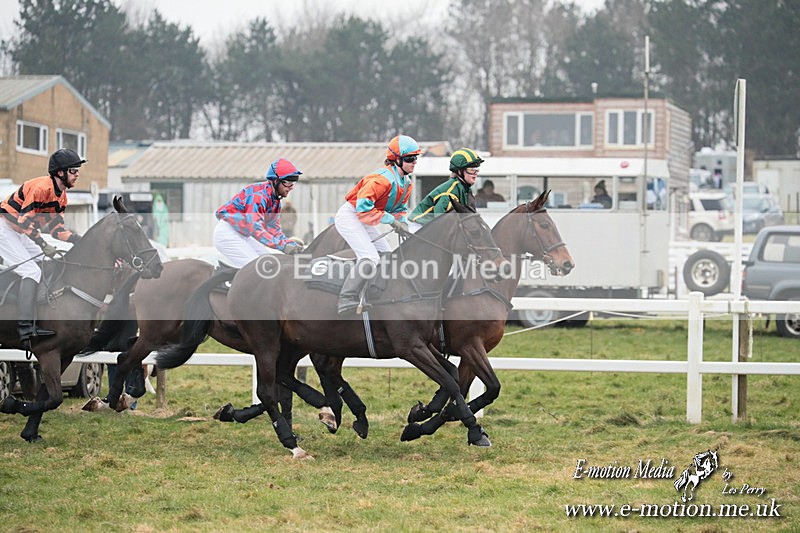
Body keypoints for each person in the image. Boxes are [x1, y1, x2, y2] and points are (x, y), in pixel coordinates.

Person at [0, 148, 85, 344]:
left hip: (19, 230)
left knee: (45, 262)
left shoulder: (61, 196)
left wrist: (78, 240)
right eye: (74, 170)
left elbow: (57, 230)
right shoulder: (41, 188)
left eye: (78, 170)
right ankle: (25, 330)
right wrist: (42, 243)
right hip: (5, 227)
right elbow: (23, 221)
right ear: (60, 173)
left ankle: (41, 318)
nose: (77, 174)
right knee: (31, 271)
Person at [334, 134, 421, 313]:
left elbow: (399, 209)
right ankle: (347, 298)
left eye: (416, 158)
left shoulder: (406, 182)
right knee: (370, 257)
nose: (414, 162)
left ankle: (374, 293)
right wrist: (391, 221)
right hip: (350, 215)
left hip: (363, 216)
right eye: (410, 158)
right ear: (396, 160)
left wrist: (402, 222)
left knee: (388, 255)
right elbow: (363, 208)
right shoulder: (380, 180)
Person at [213, 158, 304, 268]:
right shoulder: (258, 196)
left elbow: (274, 230)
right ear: (275, 181)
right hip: (228, 234)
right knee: (259, 269)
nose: (291, 188)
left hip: (244, 235)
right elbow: (256, 229)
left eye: (292, 183)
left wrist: (291, 245)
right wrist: (283, 246)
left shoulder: (275, 201)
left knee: (271, 265)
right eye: (288, 183)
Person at [408, 147, 483, 232]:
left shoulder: (466, 190)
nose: (475, 173)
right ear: (459, 171)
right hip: (420, 225)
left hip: (431, 226)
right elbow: (439, 223)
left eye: (476, 170)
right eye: (471, 170)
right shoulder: (449, 193)